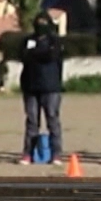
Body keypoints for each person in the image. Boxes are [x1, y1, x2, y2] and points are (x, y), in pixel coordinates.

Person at [19, 12, 65, 164]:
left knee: (52, 119)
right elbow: (24, 56)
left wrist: (35, 54)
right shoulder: (28, 40)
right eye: (39, 21)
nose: (41, 25)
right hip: (30, 86)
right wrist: (37, 54)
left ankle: (56, 154)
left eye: (44, 22)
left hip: (51, 86)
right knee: (32, 121)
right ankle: (28, 153)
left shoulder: (55, 41)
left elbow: (51, 56)